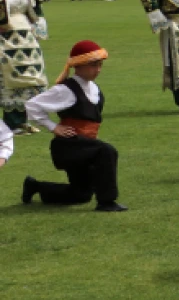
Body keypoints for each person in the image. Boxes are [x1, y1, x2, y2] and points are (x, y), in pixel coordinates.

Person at [20, 40, 126, 212]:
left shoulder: (94, 89)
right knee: (106, 151)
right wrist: (53, 127)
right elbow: (31, 106)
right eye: (93, 65)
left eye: (99, 65)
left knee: (81, 195)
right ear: (78, 65)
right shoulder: (65, 90)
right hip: (69, 146)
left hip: (86, 146)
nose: (98, 69)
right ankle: (107, 202)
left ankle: (35, 186)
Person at [0, 0, 49, 133]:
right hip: (6, 38)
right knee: (10, 79)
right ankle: (12, 122)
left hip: (25, 38)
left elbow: (33, 6)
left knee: (29, 79)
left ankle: (22, 120)